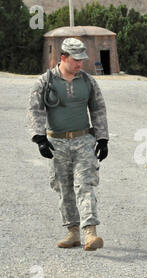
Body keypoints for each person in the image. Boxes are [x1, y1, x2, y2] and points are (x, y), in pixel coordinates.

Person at [27, 38, 109, 251]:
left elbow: (98, 108)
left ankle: (90, 232)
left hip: (83, 140)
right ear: (62, 58)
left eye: (82, 60)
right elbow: (35, 109)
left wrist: (102, 138)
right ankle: (73, 232)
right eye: (75, 60)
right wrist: (39, 138)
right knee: (64, 188)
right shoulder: (45, 82)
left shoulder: (88, 82)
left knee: (85, 184)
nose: (80, 64)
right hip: (57, 142)